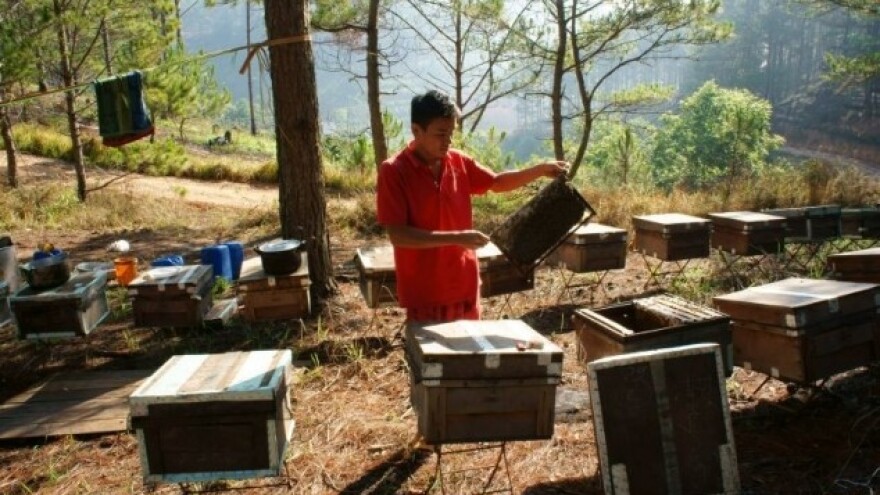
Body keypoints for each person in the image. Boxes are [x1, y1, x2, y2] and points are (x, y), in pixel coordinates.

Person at [376, 89, 569, 323]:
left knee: (469, 357)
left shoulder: (458, 161)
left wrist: (539, 169)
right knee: (433, 359)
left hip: (465, 286)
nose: (448, 141)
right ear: (417, 130)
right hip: (426, 293)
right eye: (441, 134)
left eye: (451, 134)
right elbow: (398, 236)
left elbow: (497, 182)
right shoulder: (394, 170)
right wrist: (458, 237)